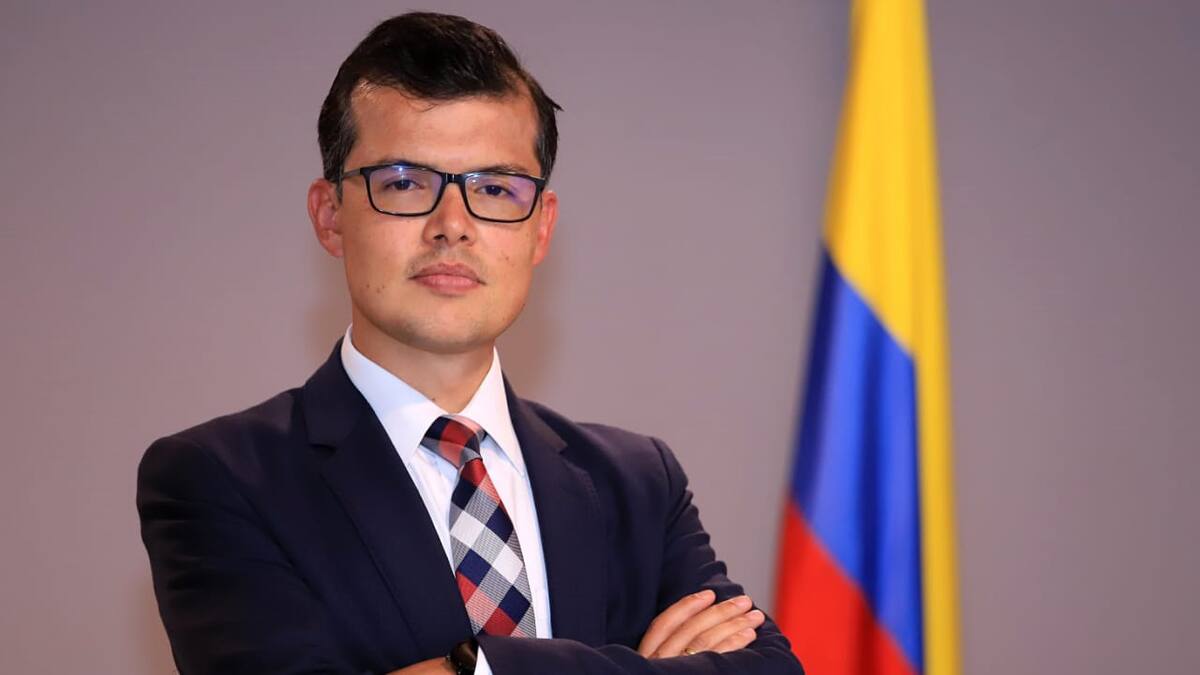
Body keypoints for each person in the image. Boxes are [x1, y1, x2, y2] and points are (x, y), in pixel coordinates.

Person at [137, 11, 804, 675]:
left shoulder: (637, 483)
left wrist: (471, 668)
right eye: (404, 182)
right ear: (330, 215)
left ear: (541, 229)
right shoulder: (219, 478)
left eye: (495, 188)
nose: (452, 225)